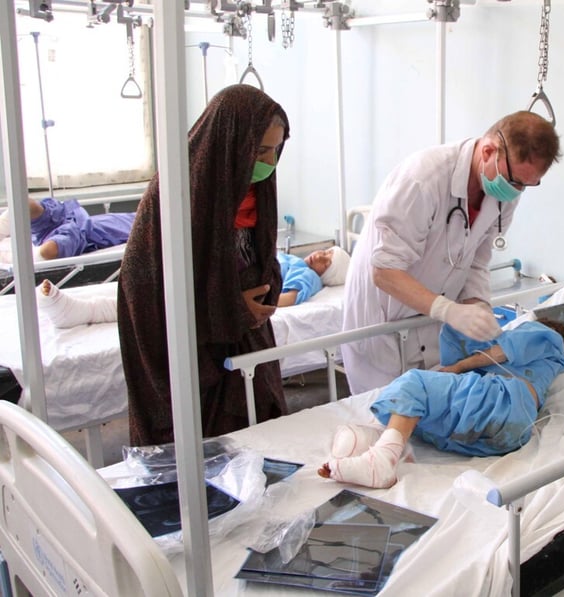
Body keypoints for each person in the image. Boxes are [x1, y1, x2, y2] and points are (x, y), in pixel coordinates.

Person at [340, 111, 561, 395]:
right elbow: (384, 272)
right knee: (384, 415)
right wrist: (448, 310)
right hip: (383, 326)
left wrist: (478, 304)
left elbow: (477, 259)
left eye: (526, 185)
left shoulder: (505, 194)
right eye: (513, 180)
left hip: (428, 328)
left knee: (426, 415)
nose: (516, 191)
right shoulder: (422, 180)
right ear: (488, 150)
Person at [118, 84, 291, 446]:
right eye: (260, 150)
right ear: (232, 143)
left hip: (248, 344)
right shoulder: (176, 194)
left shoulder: (256, 189)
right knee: (211, 459)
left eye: (276, 150)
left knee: (263, 444)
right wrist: (229, 309)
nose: (269, 163)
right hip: (199, 359)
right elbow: (143, 290)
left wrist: (265, 291)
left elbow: (261, 257)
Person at [319, 317, 564, 488]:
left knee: (415, 383)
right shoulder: (551, 364)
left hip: (501, 400)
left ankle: (382, 459)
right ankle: (390, 445)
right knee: (426, 408)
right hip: (506, 433)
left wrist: (457, 367)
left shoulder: (545, 335)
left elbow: (502, 350)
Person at [36, 247, 347, 328]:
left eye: (327, 260)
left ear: (328, 275)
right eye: (326, 251)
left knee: (157, 303)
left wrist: (241, 303)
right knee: (145, 290)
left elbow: (286, 299)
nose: (320, 255)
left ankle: (76, 312)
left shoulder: (309, 279)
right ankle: (78, 305)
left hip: (237, 294)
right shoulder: (295, 259)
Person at [0, 196, 135, 261]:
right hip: (88, 227)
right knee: (26, 205)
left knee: (50, 250)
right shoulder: (147, 218)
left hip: (87, 232)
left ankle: (9, 254)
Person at [276, 246, 349, 307]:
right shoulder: (298, 261)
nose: (318, 257)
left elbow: (291, 298)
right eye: (325, 253)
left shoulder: (310, 275)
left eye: (326, 264)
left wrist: (265, 302)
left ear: (327, 276)